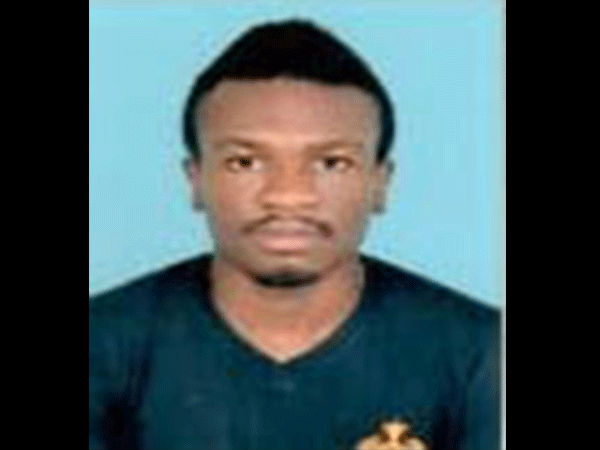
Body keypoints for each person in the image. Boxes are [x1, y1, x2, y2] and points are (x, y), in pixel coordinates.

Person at [89, 19, 500, 450]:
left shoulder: (482, 352)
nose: (288, 195)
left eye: (332, 163)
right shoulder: (102, 342)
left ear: (380, 183)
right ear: (196, 180)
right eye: (245, 162)